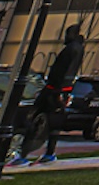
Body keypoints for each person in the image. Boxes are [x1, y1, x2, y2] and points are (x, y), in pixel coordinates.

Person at [13, 26, 85, 166]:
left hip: (53, 90)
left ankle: (23, 154)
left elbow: (63, 71)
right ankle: (48, 153)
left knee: (35, 118)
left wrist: (58, 91)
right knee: (52, 124)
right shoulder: (78, 49)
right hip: (59, 90)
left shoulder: (71, 50)